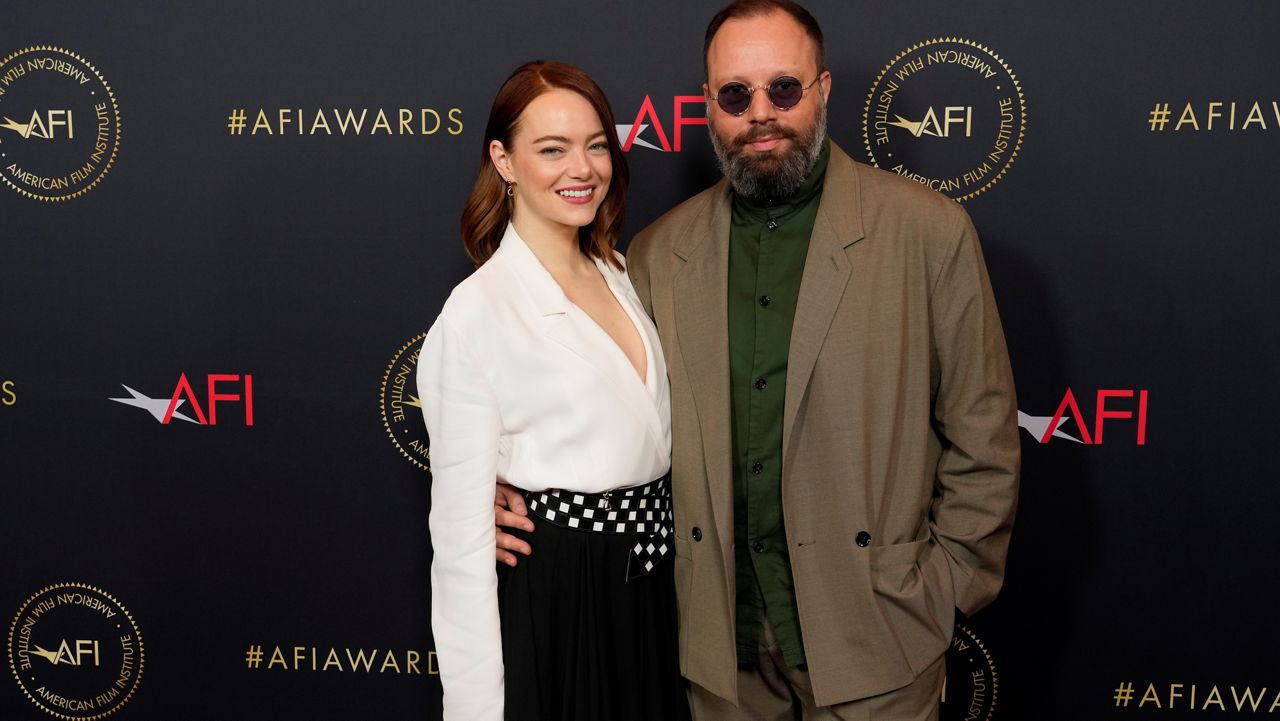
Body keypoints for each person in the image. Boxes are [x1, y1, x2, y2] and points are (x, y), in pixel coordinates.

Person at [496, 1, 1021, 719]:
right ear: (709, 104)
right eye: (736, 95)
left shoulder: (927, 233)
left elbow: (983, 434)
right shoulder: (657, 253)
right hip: (716, 651)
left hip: (879, 640)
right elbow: (591, 406)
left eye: (785, 88)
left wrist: (942, 588)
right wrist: (496, 482)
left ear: (824, 90)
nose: (761, 113)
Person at [417, 60, 688, 721]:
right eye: (552, 149)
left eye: (597, 144)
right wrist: (476, 710)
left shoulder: (623, 270)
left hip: (653, 589)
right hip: (560, 594)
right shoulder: (477, 311)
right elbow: (459, 545)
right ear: (503, 160)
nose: (583, 168)